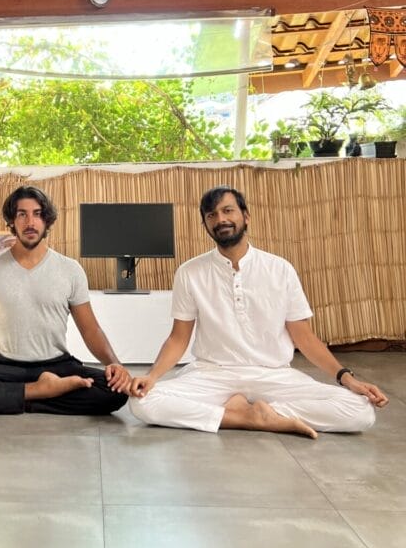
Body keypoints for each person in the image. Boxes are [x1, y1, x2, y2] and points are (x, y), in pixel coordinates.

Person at [129, 186, 388, 438]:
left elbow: (305, 338)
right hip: (212, 373)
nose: (221, 219)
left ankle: (263, 413)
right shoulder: (190, 272)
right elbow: (178, 338)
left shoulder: (280, 269)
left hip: (273, 374)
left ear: (246, 216)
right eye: (211, 215)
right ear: (206, 225)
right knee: (142, 402)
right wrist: (152, 377)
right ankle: (248, 417)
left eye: (228, 210)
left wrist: (347, 379)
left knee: (360, 410)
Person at [0, 185, 131, 415]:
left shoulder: (70, 270)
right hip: (2, 366)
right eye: (22, 214)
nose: (30, 222)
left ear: (47, 220)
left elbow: (91, 330)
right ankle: (41, 393)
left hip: (56, 365)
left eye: (37, 214)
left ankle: (17, 397)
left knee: (117, 391)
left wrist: (115, 364)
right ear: (12, 221)